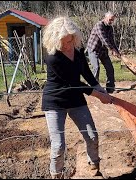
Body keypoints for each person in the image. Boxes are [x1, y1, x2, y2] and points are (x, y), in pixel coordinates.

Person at [41, 16, 113, 179]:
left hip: (75, 99)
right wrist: (98, 96)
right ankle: (56, 175)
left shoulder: (78, 49)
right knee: (59, 146)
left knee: (92, 136)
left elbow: (86, 72)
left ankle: (94, 169)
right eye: (64, 42)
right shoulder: (52, 56)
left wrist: (98, 87)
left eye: (70, 41)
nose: (68, 46)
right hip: (55, 101)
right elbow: (73, 83)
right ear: (55, 40)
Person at [87, 11, 122, 94]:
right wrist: (112, 49)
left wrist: (117, 52)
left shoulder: (110, 28)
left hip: (103, 51)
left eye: (112, 20)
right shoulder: (99, 25)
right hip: (93, 49)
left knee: (110, 68)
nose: (111, 22)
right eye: (110, 20)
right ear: (105, 18)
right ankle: (94, 88)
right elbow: (104, 39)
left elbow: (112, 41)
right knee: (96, 67)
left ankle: (110, 88)